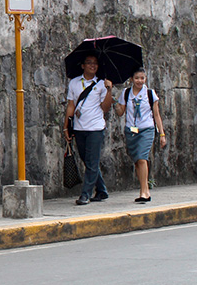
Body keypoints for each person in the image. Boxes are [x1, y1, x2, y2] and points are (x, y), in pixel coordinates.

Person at [63, 55, 114, 205]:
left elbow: (105, 107)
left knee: (92, 162)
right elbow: (71, 105)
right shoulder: (74, 83)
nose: (93, 66)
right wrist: (66, 126)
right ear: (83, 65)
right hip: (79, 127)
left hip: (95, 127)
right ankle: (102, 190)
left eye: (95, 64)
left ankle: (85, 194)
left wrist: (109, 90)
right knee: (87, 160)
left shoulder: (101, 84)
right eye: (89, 63)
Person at [114, 68, 167, 202]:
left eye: (142, 78)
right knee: (137, 161)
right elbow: (120, 112)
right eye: (137, 78)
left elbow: (156, 115)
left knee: (142, 158)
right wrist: (113, 100)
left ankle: (144, 191)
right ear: (132, 79)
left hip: (146, 129)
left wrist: (162, 134)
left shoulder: (150, 94)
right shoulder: (126, 93)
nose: (140, 81)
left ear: (145, 79)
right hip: (131, 131)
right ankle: (144, 188)